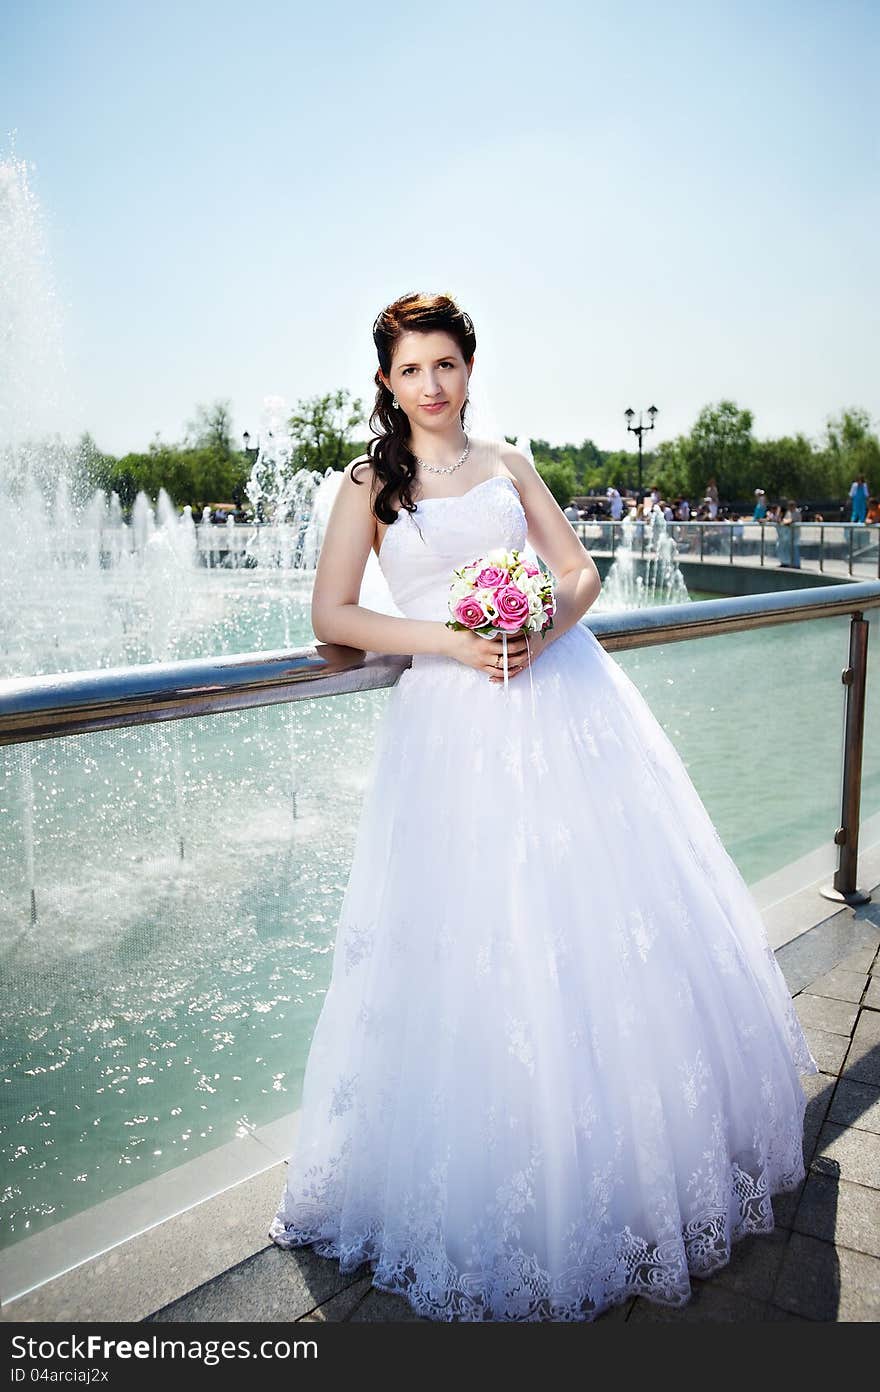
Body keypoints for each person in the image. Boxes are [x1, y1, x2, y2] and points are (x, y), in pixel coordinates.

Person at [268, 291, 818, 1323]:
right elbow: (334, 614)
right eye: (411, 370)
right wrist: (457, 641)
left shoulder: (510, 462)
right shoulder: (369, 482)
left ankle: (624, 1159)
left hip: (561, 698)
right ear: (384, 382)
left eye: (447, 365)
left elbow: (580, 571)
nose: (432, 386)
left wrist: (537, 631)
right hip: (448, 718)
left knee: (596, 918)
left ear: (469, 368)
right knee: (472, 932)